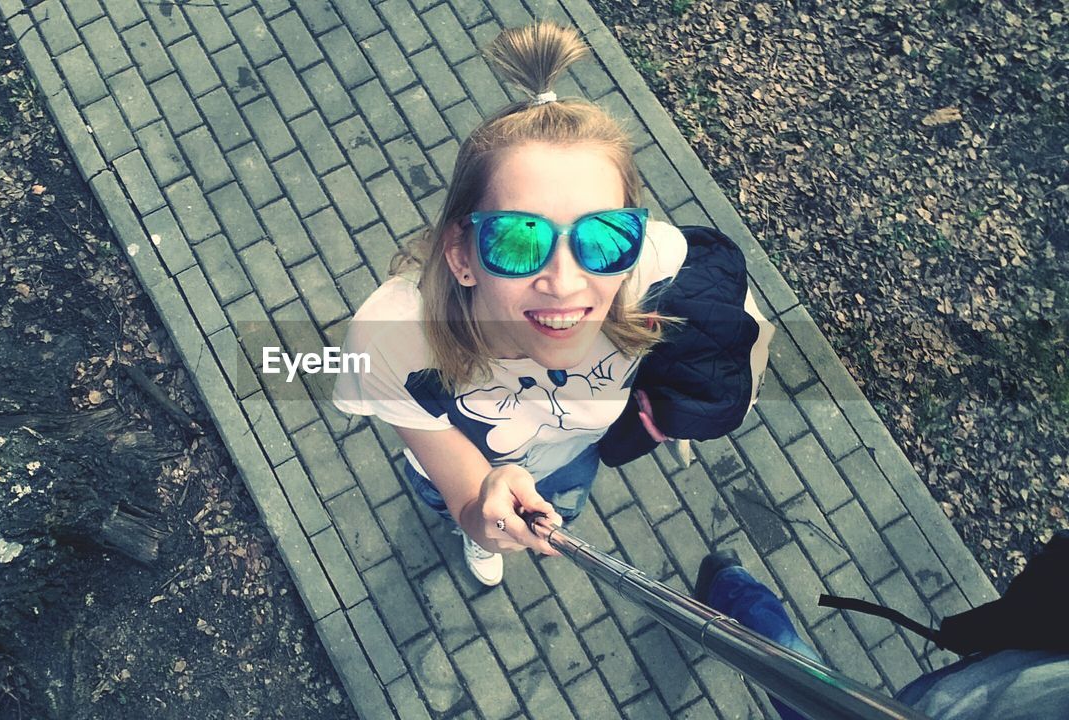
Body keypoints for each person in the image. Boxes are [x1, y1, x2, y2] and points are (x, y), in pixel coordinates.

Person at [331, 22, 773, 586]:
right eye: (519, 240)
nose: (565, 282)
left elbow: (725, 296)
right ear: (462, 255)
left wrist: (686, 400)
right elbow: (467, 495)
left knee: (565, 500)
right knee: (467, 518)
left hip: (575, 457)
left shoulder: (649, 261)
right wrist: (482, 521)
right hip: (459, 473)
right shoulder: (392, 338)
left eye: (605, 235)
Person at [694, 548, 1069, 720]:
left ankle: (730, 582)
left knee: (811, 692)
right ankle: (730, 585)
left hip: (982, 692)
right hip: (969, 701)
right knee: (809, 692)